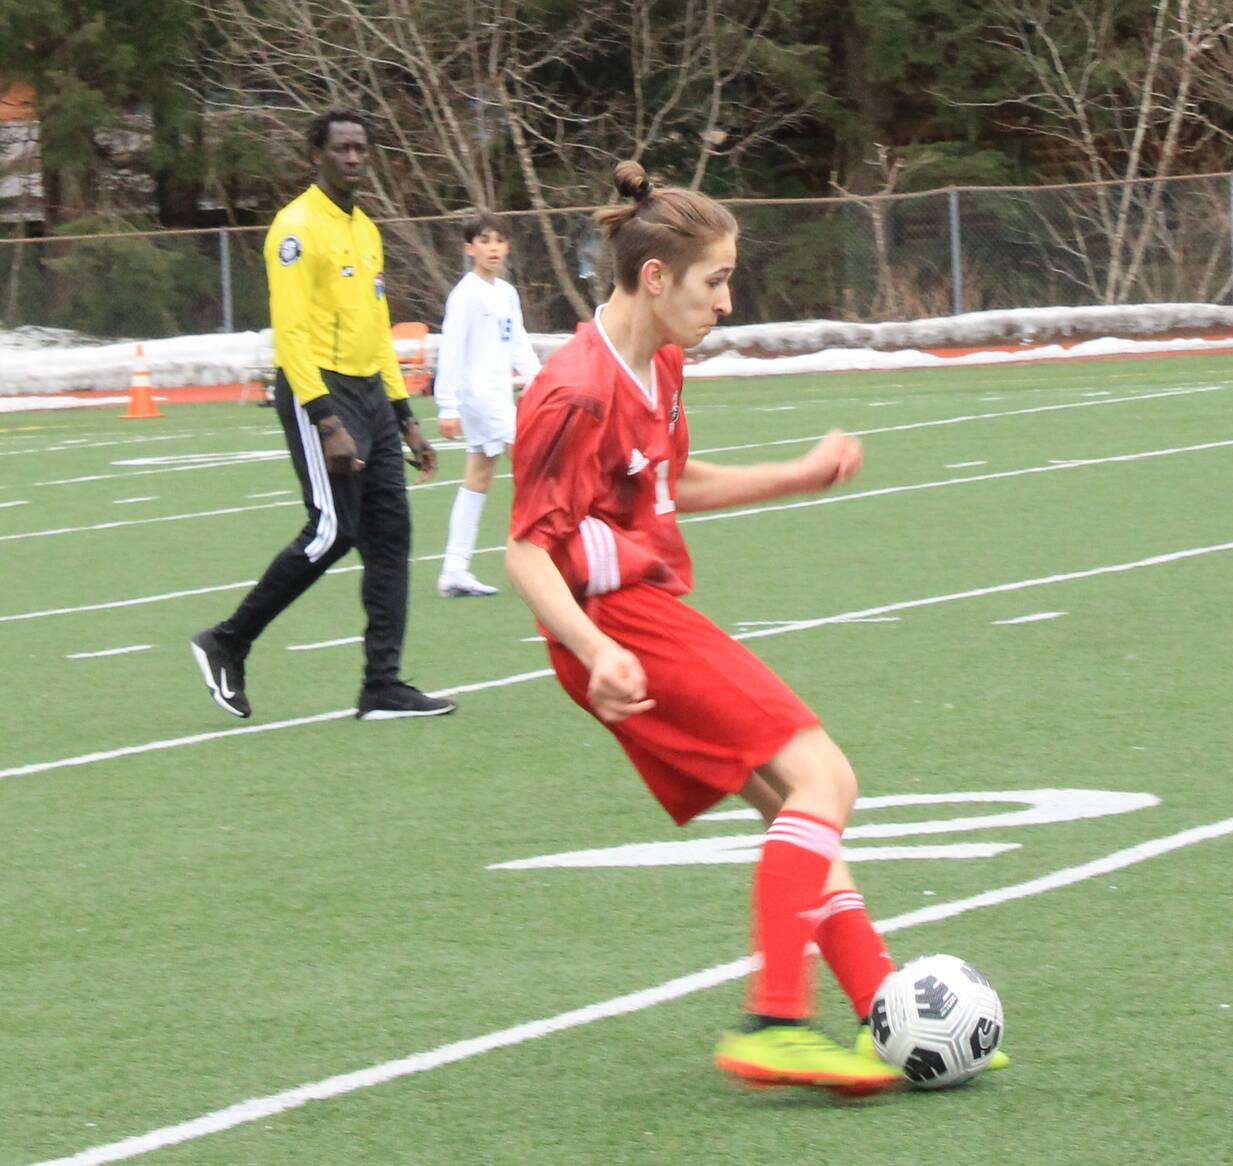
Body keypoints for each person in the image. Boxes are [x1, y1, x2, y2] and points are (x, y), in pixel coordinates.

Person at [504, 161, 1004, 1093]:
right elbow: (526, 551)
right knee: (827, 777)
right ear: (656, 277)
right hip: (618, 626)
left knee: (792, 805)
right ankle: (775, 1020)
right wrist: (597, 647)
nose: (728, 301)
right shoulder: (574, 390)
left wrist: (796, 476)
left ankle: (878, 1010)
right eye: (716, 280)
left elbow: (670, 486)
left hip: (639, 618)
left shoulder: (657, 360)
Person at [189, 110, 452, 722]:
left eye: (362, 148)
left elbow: (377, 332)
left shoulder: (365, 229)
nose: (355, 158)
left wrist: (405, 416)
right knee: (334, 530)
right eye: (342, 149)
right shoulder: (296, 228)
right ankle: (227, 642)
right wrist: (325, 420)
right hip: (322, 393)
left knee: (391, 537)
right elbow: (292, 333)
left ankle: (381, 685)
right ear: (318, 155)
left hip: (372, 396)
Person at [434, 209, 542, 597]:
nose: (493, 248)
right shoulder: (465, 295)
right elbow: (451, 350)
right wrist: (446, 405)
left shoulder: (507, 293)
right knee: (532, 463)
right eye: (484, 241)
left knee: (478, 477)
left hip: (498, 396)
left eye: (499, 240)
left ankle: (454, 569)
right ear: (469, 249)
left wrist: (537, 379)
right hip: (478, 398)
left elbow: (518, 341)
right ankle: (550, 556)